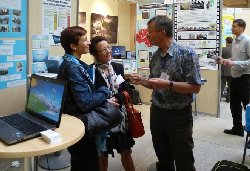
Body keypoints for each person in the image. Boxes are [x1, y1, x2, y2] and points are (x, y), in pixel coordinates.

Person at [131, 15, 202, 171]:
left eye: (149, 32)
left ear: (162, 32)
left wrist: (169, 84)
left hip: (179, 114)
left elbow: (195, 87)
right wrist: (143, 81)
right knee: (162, 152)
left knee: (183, 156)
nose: (147, 35)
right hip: (157, 111)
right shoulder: (155, 56)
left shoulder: (186, 53)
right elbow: (155, 85)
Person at [57, 26, 117, 171]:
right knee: (87, 163)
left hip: (74, 122)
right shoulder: (72, 67)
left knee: (79, 163)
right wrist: (104, 92)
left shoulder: (71, 63)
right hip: (80, 124)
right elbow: (85, 102)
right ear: (73, 46)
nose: (89, 43)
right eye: (84, 40)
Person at [89, 36, 135, 171]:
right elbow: (91, 97)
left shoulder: (117, 67)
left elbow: (127, 90)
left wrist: (117, 98)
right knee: (102, 154)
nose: (109, 51)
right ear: (94, 54)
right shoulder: (90, 72)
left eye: (109, 47)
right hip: (102, 119)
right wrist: (105, 100)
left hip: (120, 118)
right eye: (104, 50)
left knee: (126, 151)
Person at [219, 19, 250, 137]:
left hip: (245, 77)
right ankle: (237, 128)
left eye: (234, 26)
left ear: (242, 28)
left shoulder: (247, 41)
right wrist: (227, 61)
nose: (232, 28)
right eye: (232, 26)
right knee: (234, 104)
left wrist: (234, 63)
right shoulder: (234, 42)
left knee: (247, 106)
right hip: (234, 76)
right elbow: (236, 58)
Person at [221, 36, 233, 103]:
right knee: (230, 86)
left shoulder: (223, 49)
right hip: (232, 71)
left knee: (222, 85)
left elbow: (220, 59)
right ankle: (228, 99)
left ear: (226, 41)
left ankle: (219, 98)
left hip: (224, 70)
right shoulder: (235, 50)